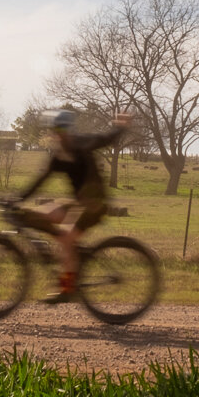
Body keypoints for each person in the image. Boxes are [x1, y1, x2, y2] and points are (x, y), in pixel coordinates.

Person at [13, 108, 132, 303]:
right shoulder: (58, 157)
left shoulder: (82, 143)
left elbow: (107, 138)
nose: (57, 136)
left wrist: (120, 127)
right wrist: (17, 198)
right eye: (54, 132)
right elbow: (39, 182)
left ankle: (68, 289)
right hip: (79, 204)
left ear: (68, 130)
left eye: (60, 131)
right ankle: (71, 256)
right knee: (46, 212)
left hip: (95, 205)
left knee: (66, 238)